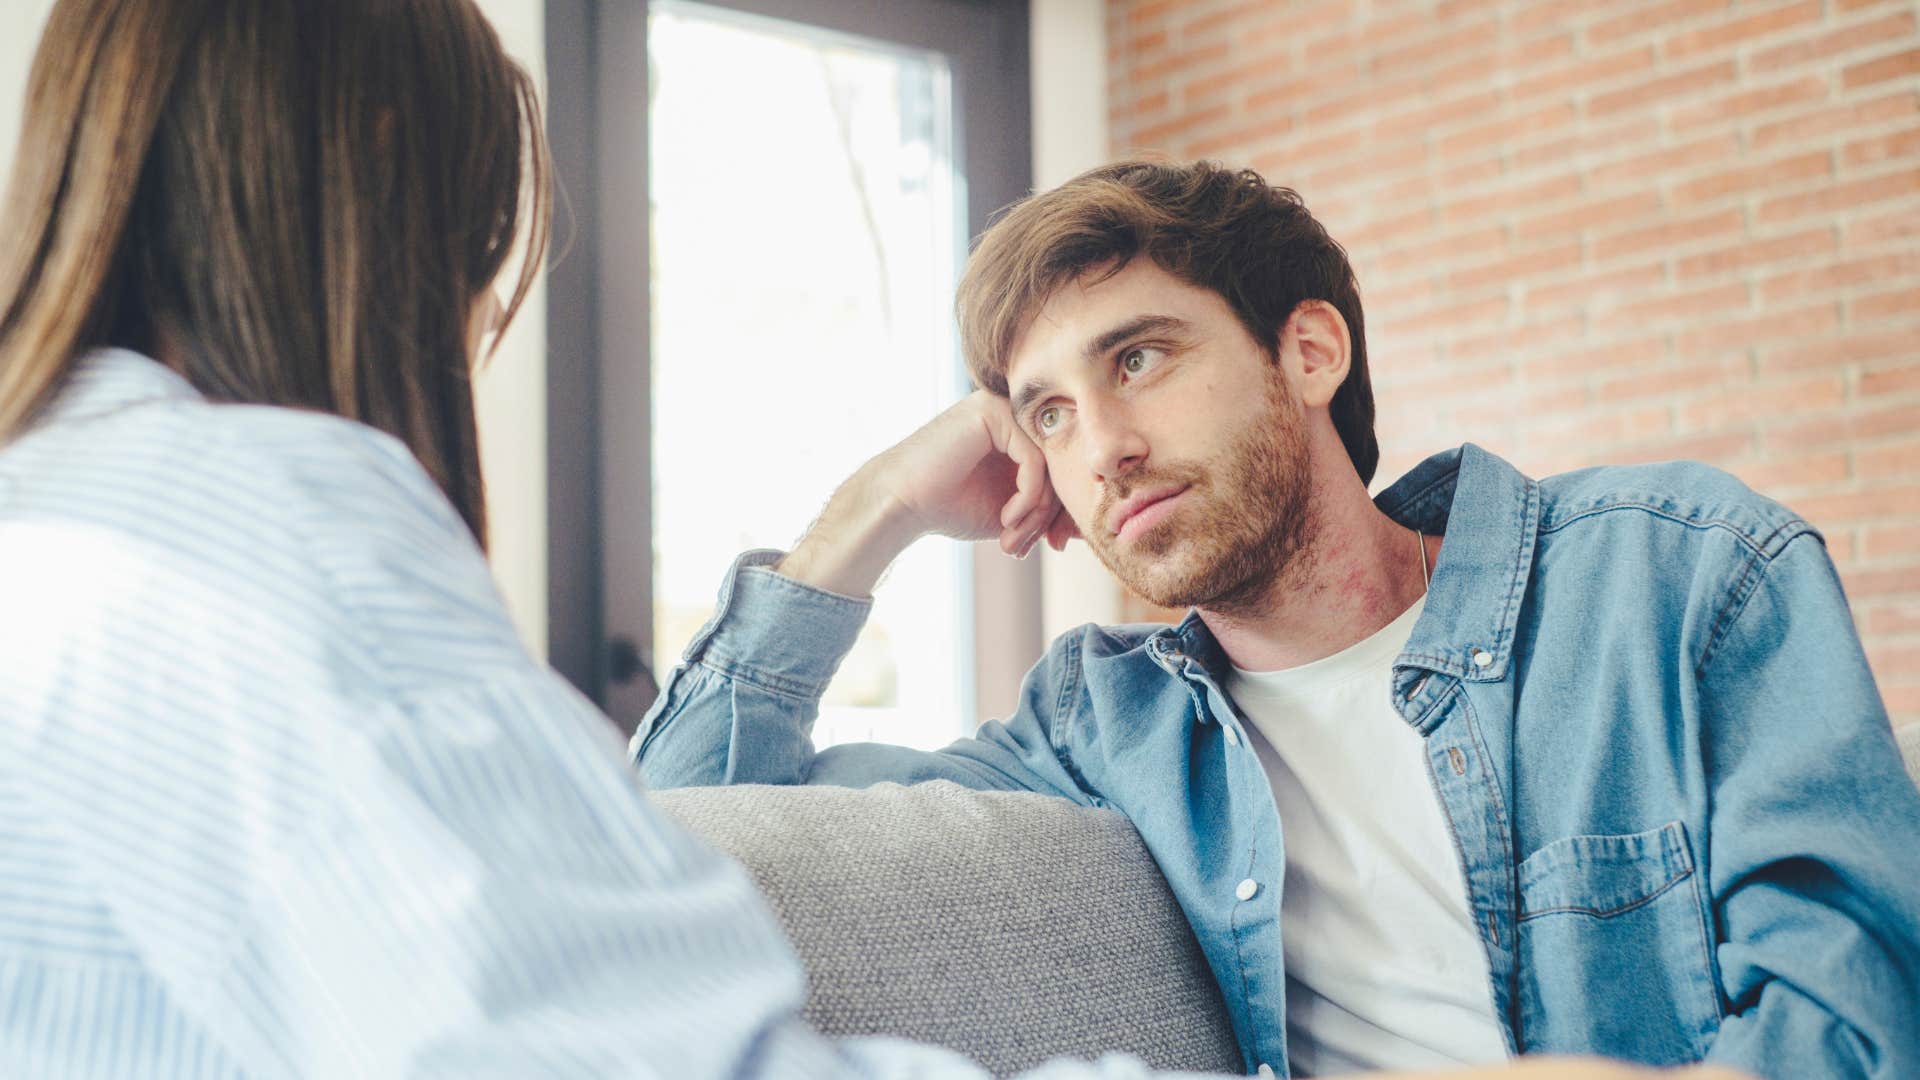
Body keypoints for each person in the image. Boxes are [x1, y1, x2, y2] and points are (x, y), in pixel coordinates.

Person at [633, 160, 1920, 1080]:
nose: (1106, 450)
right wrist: (872, 513)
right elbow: (680, 844)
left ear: (1310, 354)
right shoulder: (1104, 721)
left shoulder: (1677, 573)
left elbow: (1861, 1024)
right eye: (1048, 414)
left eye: (1137, 359)